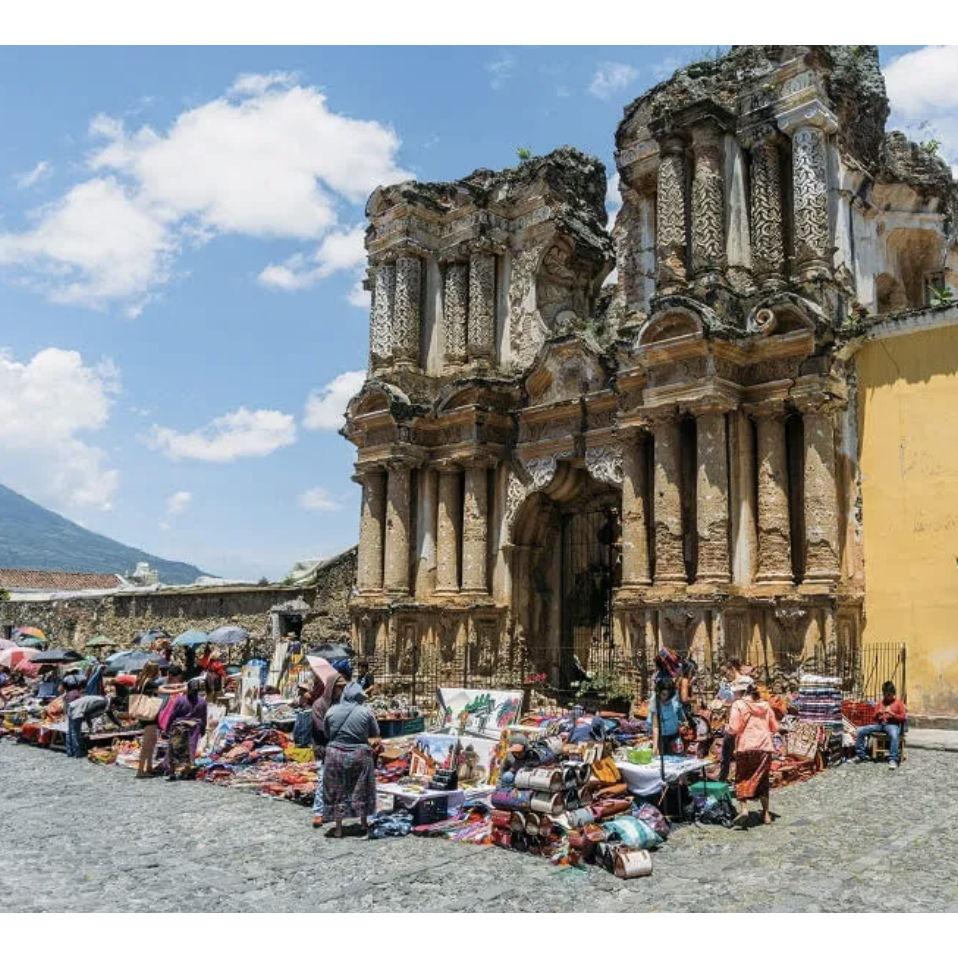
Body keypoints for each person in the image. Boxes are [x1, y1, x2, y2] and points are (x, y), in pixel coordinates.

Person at [323, 682, 381, 837]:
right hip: (359, 754)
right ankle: (363, 823)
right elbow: (375, 734)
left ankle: (339, 828)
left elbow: (327, 733)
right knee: (361, 788)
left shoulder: (331, 711)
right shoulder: (366, 712)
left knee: (336, 790)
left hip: (334, 754)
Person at [727, 677, 778, 826]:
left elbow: (734, 728)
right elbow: (774, 727)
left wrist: (727, 730)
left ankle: (744, 810)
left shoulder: (738, 705)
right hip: (764, 747)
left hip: (746, 746)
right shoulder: (765, 705)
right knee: (763, 780)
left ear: (742, 692)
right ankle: (766, 814)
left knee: (741, 778)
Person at [310, 673, 346, 828]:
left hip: (341, 745)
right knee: (323, 778)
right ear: (332, 687)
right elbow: (320, 727)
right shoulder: (319, 705)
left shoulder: (342, 704)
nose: (342, 690)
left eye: (344, 687)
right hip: (325, 746)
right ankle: (319, 812)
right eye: (340, 687)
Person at [854, 681, 907, 769]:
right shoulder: (881, 703)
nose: (887, 697)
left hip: (892, 725)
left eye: (889, 695)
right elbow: (874, 719)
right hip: (880, 725)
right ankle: (861, 755)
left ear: (893, 694)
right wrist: (877, 714)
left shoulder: (899, 703)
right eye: (885, 695)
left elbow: (903, 718)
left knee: (894, 735)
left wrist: (892, 714)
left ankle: (893, 759)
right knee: (860, 730)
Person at [164, 677, 208, 780]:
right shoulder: (202, 702)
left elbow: (173, 714)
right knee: (190, 749)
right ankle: (187, 772)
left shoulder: (181, 700)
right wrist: (203, 730)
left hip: (179, 727)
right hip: (194, 728)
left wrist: (167, 727)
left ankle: (172, 772)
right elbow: (203, 717)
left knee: (174, 749)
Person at [66, 692, 120, 758]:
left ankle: (70, 752)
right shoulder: (103, 703)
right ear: (113, 704)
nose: (114, 709)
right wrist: (90, 726)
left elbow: (111, 716)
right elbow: (87, 713)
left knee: (71, 732)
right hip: (77, 709)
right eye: (115, 707)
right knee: (75, 733)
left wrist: (119, 725)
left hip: (73, 706)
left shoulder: (105, 702)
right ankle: (77, 753)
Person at [133, 662, 163, 778]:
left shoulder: (142, 680)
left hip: (147, 714)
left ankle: (149, 766)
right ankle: (141, 770)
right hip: (149, 716)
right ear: (154, 671)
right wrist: (178, 688)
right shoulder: (150, 682)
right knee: (147, 743)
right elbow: (162, 690)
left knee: (152, 740)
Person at [650, 678, 686, 757]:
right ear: (659, 692)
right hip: (662, 737)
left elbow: (681, 715)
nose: (665, 698)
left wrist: (683, 724)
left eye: (668, 695)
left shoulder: (675, 698)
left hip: (675, 736)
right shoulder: (654, 700)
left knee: (678, 760)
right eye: (663, 694)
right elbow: (655, 726)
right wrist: (655, 746)